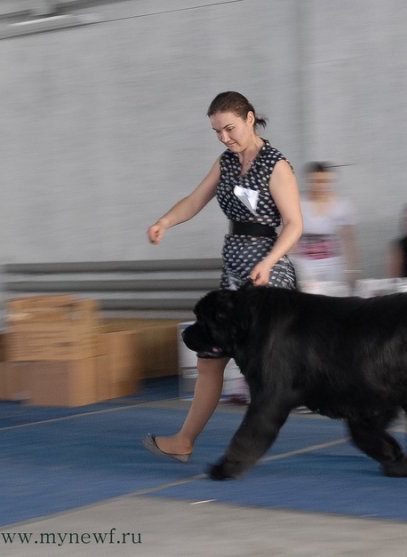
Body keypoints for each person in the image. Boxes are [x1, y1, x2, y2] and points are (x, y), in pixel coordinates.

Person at [142, 91, 302, 463]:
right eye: (217, 132)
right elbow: (195, 200)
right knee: (209, 358)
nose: (224, 137)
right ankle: (184, 440)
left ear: (249, 118)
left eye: (229, 128)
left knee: (264, 366)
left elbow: (294, 225)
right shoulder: (226, 162)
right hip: (232, 272)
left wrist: (270, 260)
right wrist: (164, 221)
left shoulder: (277, 166)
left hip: (267, 275)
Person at [292, 162, 359, 291]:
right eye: (316, 181)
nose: (320, 186)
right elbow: (291, 235)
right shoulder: (298, 202)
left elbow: (349, 240)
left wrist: (352, 270)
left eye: (324, 181)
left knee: (335, 298)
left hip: (333, 263)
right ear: (308, 181)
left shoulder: (342, 205)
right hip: (304, 263)